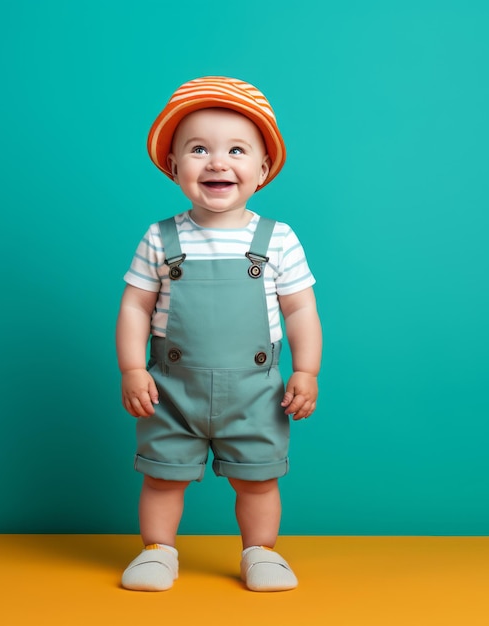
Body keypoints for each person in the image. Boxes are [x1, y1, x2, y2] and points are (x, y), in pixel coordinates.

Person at [116, 76, 322, 592]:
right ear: (173, 165)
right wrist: (133, 367)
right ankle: (157, 552)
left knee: (258, 479)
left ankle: (261, 554)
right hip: (171, 388)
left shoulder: (277, 239)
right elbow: (135, 305)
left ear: (263, 168)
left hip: (255, 391)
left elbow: (300, 310)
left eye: (236, 149)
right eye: (198, 149)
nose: (216, 162)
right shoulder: (160, 238)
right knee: (163, 476)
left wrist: (307, 369)